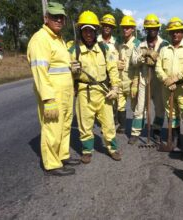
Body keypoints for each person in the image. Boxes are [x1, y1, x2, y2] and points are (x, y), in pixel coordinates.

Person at [27, 2, 80, 176]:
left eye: (61, 17)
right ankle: (52, 164)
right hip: (52, 96)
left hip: (65, 93)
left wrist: (72, 68)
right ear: (46, 18)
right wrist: (48, 99)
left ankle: (62, 156)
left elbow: (59, 66)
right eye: (54, 16)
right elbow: (40, 72)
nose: (59, 20)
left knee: (64, 127)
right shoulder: (40, 39)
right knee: (52, 129)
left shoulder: (58, 39)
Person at [69, 10, 121, 164]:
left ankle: (112, 148)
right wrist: (72, 71)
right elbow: (66, 74)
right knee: (85, 123)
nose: (88, 33)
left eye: (91, 30)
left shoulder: (104, 49)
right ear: (80, 31)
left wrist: (115, 88)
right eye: (85, 30)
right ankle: (87, 151)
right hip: (85, 92)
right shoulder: (74, 50)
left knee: (109, 123)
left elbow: (112, 69)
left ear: (95, 31)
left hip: (103, 91)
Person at [155, 17, 183, 151]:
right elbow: (158, 67)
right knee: (172, 115)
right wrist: (165, 80)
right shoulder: (164, 49)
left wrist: (176, 79)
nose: (175, 34)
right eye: (172, 32)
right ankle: (175, 140)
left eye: (178, 31)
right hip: (167, 87)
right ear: (169, 33)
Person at [129, 14, 169, 144]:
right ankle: (135, 133)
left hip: (158, 80)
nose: (152, 30)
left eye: (155, 28)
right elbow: (134, 61)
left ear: (158, 29)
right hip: (144, 79)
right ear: (145, 29)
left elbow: (167, 63)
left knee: (159, 107)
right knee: (140, 108)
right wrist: (144, 56)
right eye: (149, 28)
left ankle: (156, 130)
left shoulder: (164, 44)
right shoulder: (139, 44)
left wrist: (156, 59)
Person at [115, 15, 140, 135]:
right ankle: (123, 126)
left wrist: (135, 83)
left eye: (128, 28)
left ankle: (136, 131)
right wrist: (117, 64)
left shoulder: (137, 44)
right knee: (120, 105)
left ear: (133, 29)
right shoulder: (120, 45)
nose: (125, 30)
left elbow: (138, 67)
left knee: (136, 107)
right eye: (124, 27)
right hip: (121, 80)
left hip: (132, 81)